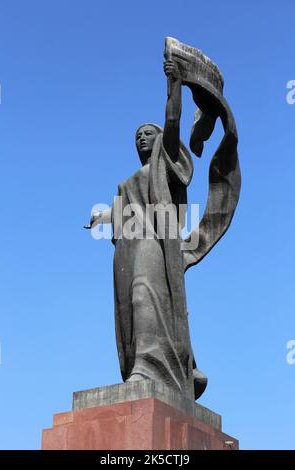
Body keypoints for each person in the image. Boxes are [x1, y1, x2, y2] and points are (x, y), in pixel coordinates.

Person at [85, 59, 207, 401]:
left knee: (144, 295)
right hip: (127, 246)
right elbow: (122, 211)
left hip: (154, 241)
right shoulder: (128, 182)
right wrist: (102, 217)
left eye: (147, 134)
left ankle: (148, 365)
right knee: (129, 309)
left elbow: (172, 120)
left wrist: (174, 84)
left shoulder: (163, 163)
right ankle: (143, 365)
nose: (142, 138)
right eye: (137, 135)